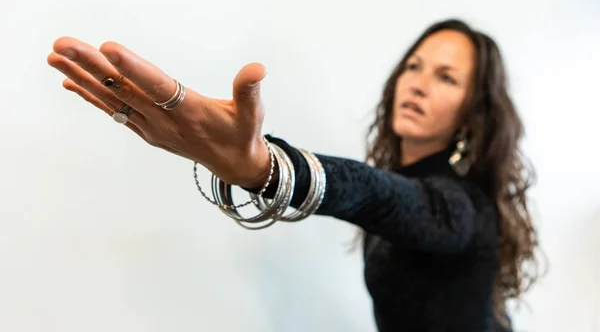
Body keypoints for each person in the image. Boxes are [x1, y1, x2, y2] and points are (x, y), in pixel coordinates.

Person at [47, 18, 541, 331]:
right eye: (414, 66)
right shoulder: (416, 186)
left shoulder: (462, 206)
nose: (418, 83)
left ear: (472, 115)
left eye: (446, 77)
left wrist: (265, 166)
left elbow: (377, 196)